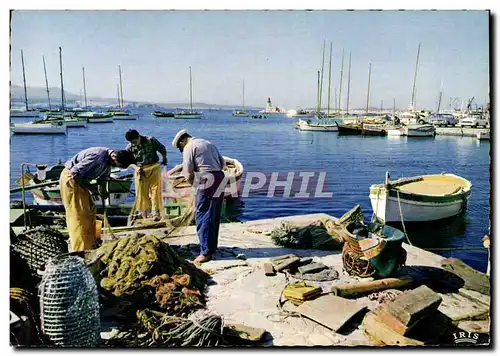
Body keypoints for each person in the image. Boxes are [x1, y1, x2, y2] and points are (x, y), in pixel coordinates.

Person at [60, 147, 136, 252]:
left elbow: (103, 178)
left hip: (82, 181)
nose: (113, 166)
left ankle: (90, 243)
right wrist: (91, 188)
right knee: (79, 215)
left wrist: (103, 192)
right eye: (115, 164)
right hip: (71, 180)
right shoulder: (97, 156)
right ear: (114, 156)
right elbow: (75, 172)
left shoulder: (108, 162)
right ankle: (80, 248)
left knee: (90, 212)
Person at [172, 129, 226, 263]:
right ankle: (211, 248)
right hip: (219, 177)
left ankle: (205, 253)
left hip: (206, 179)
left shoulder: (189, 147)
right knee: (214, 215)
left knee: (202, 214)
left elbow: (188, 172)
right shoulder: (209, 143)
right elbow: (222, 164)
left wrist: (193, 184)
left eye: (180, 146)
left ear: (182, 141)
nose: (181, 148)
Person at [125, 129, 168, 220]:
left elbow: (162, 149)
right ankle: (143, 213)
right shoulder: (129, 147)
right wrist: (136, 168)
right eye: (131, 142)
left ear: (138, 136)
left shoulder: (150, 140)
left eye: (135, 141)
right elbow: (128, 161)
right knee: (141, 193)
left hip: (154, 167)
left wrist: (164, 159)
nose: (134, 144)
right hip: (140, 170)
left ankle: (155, 212)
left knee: (155, 190)